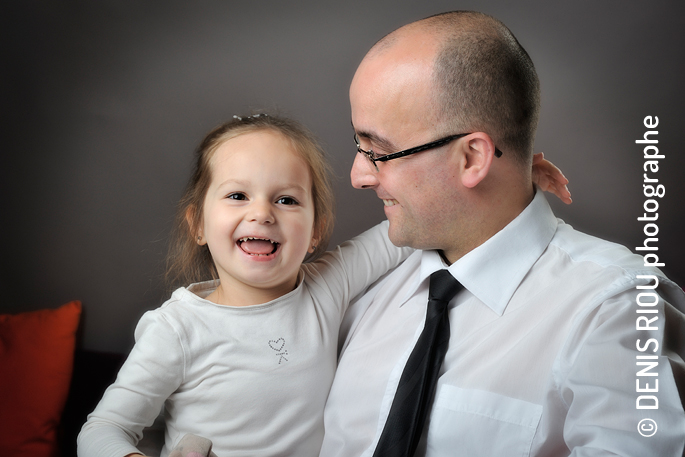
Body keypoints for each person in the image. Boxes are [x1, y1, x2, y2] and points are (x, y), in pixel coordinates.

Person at [77, 112, 567, 457]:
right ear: (198, 225)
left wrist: (508, 178)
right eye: (237, 195)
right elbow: (102, 431)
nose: (262, 213)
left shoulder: (326, 285)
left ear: (315, 230)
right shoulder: (178, 328)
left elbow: (411, 227)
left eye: (287, 200)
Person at [320, 11, 685, 457]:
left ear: (473, 158)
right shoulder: (362, 289)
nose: (359, 175)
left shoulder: (615, 311)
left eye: (380, 151)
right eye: (360, 147)